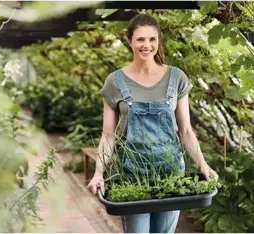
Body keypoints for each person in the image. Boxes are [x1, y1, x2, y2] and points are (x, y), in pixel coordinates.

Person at [87, 14, 219, 234]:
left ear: (159, 42)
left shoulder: (176, 78)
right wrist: (99, 172)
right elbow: (108, 136)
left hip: (171, 174)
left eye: (152, 39)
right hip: (132, 175)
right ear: (129, 41)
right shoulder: (115, 82)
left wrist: (203, 166)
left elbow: (185, 130)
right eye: (140, 39)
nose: (146, 45)